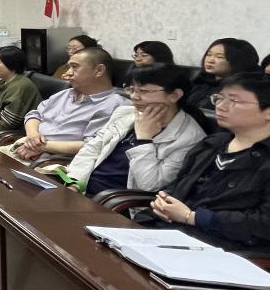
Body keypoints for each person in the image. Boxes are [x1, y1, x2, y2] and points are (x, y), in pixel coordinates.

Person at [144, 72, 270, 258]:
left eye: (234, 101)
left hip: (225, 251)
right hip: (168, 232)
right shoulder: (212, 144)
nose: (220, 106)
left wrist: (193, 217)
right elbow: (180, 183)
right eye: (219, 98)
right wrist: (164, 200)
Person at [65, 64, 207, 195]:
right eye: (131, 90)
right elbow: (92, 149)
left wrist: (144, 139)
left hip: (114, 201)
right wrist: (74, 184)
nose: (134, 97)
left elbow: (149, 185)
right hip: (83, 188)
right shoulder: (125, 113)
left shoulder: (190, 138)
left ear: (174, 95)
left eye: (144, 91)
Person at [6, 46, 129, 162]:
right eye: (69, 67)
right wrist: (33, 135)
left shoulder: (114, 105)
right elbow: (35, 114)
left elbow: (92, 145)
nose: (67, 73)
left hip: (58, 161)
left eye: (74, 67)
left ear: (99, 70)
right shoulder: (65, 94)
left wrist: (42, 146)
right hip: (28, 146)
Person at [186, 38, 260, 113]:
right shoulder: (199, 81)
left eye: (219, 57)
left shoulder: (243, 90)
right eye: (209, 55)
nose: (210, 60)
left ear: (239, 61)